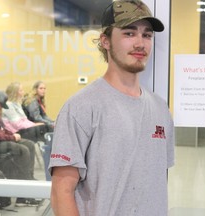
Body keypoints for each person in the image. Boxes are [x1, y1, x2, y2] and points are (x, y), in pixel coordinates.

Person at [49, 1, 174, 215]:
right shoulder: (81, 107)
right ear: (105, 41)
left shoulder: (161, 110)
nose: (140, 43)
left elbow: (156, 185)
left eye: (147, 35)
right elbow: (61, 193)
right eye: (129, 33)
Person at [0, 90, 40, 206]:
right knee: (22, 150)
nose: (0, 107)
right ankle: (23, 195)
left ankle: (28, 180)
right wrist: (12, 137)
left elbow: (2, 130)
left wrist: (11, 134)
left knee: (29, 145)